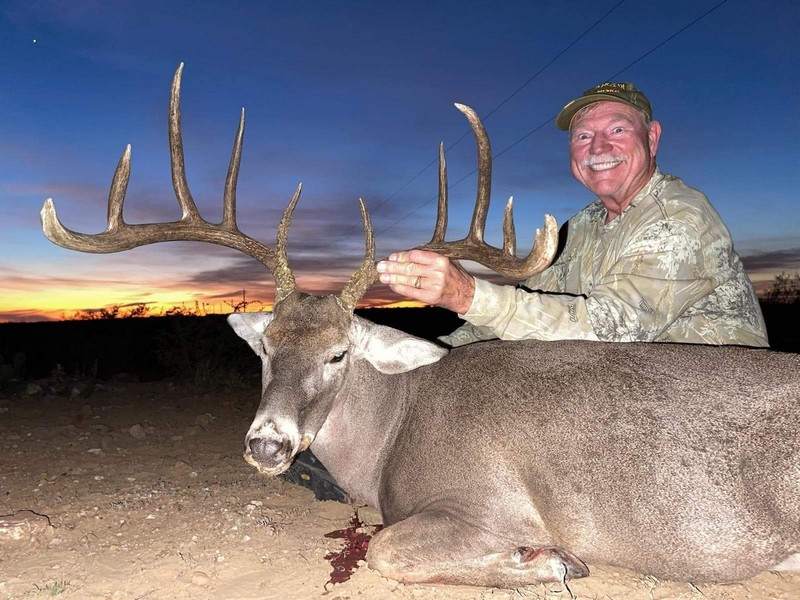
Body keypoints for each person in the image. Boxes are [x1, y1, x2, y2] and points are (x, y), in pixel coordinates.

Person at [377, 82, 769, 348]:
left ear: (651, 139)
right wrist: (436, 351)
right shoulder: (581, 227)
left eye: (617, 130)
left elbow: (611, 328)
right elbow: (528, 304)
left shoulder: (680, 218)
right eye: (583, 136)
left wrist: (466, 294)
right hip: (626, 386)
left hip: (717, 410)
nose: (598, 147)